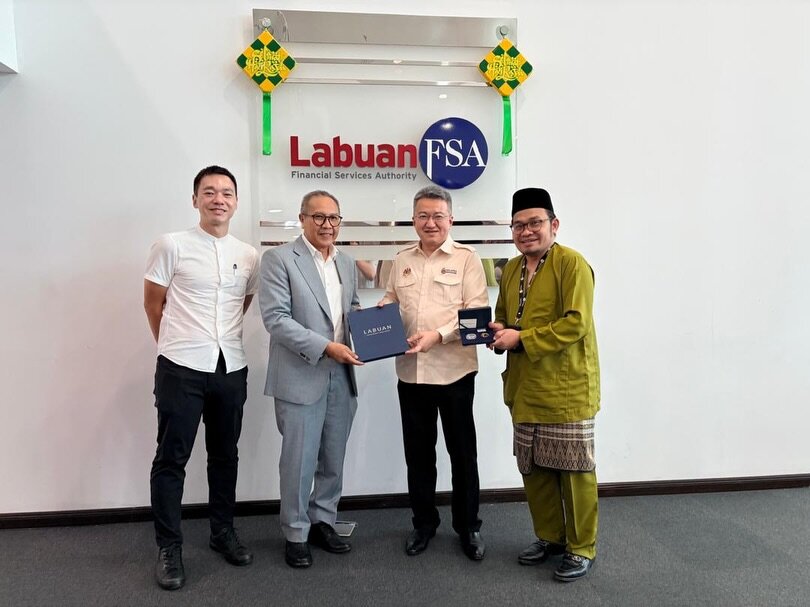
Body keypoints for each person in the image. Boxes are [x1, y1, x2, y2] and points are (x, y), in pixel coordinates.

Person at [143, 165, 258, 591]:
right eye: (209, 192)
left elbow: (242, 303)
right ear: (195, 200)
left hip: (230, 367)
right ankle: (169, 547)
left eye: (226, 192)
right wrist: (175, 346)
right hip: (180, 368)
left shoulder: (248, 255)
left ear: (236, 202)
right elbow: (152, 304)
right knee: (171, 459)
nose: (218, 199)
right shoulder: (171, 245)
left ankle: (222, 531)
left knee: (225, 455)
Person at [489, 187, 600, 582]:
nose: (526, 231)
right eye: (518, 225)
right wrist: (498, 332)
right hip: (525, 385)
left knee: (574, 470)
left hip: (566, 386)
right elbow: (505, 316)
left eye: (534, 223)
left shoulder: (572, 263)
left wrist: (520, 338)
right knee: (533, 467)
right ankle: (551, 537)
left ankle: (581, 547)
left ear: (554, 224)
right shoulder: (511, 269)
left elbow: (576, 323)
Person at [379, 185, 489, 560]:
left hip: (455, 372)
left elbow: (476, 314)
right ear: (413, 220)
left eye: (438, 216)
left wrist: (438, 336)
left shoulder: (467, 259)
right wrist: (377, 318)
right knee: (419, 456)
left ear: (450, 219)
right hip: (411, 374)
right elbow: (391, 300)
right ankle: (423, 524)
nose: (431, 223)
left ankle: (468, 527)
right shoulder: (401, 260)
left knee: (463, 454)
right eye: (423, 216)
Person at [259, 190, 363, 569]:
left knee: (333, 457)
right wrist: (326, 347)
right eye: (318, 217)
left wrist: (374, 329)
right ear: (302, 218)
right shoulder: (279, 259)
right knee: (299, 461)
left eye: (333, 217)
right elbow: (276, 319)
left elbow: (351, 309)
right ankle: (296, 533)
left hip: (341, 374)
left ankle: (323, 521)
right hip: (300, 374)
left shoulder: (346, 262)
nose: (327, 225)